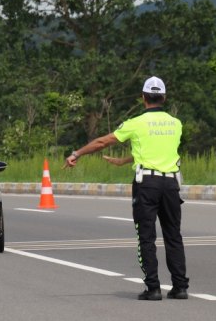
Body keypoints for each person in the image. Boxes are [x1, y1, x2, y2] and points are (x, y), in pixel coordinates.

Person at [62, 76, 189, 301]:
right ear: (164, 97)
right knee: (173, 236)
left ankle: (153, 288)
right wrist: (124, 161)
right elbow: (157, 150)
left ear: (143, 98)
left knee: (146, 237)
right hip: (171, 184)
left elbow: (103, 142)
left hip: (147, 185)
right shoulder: (175, 123)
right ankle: (180, 287)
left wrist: (77, 153)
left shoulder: (136, 123)